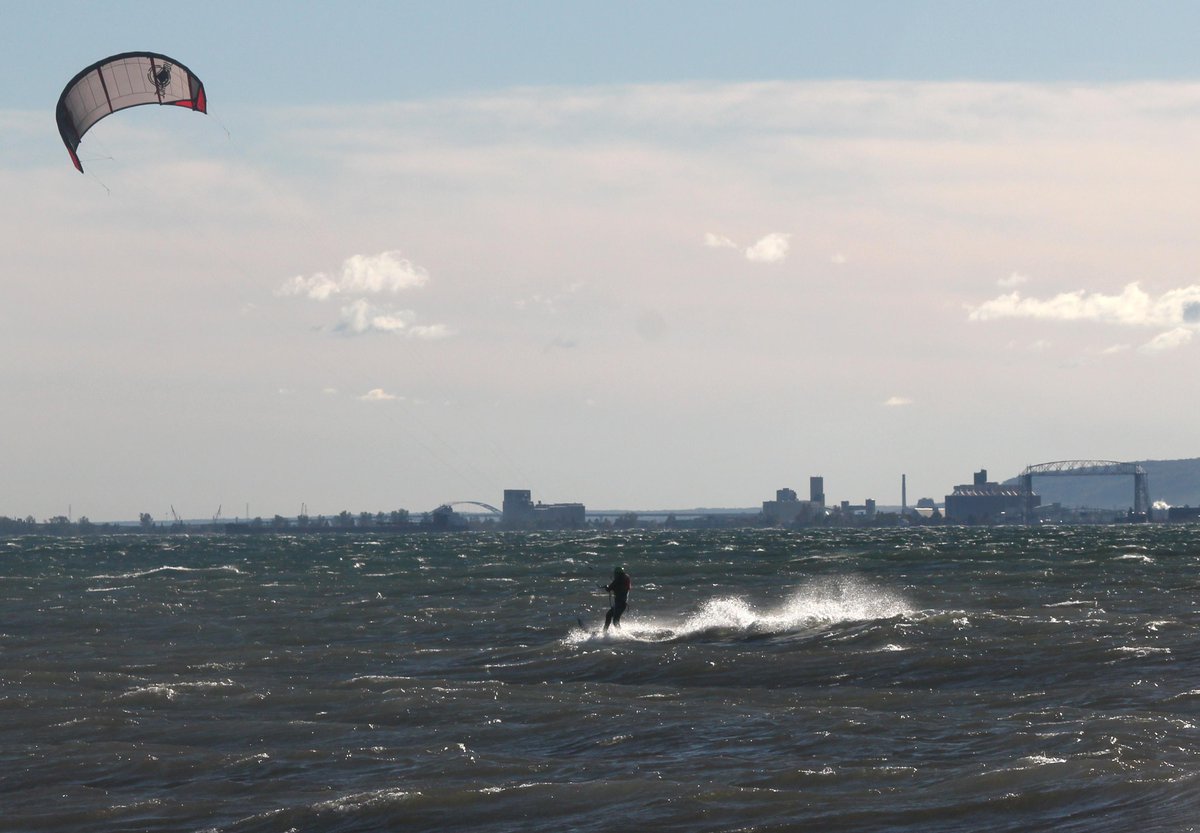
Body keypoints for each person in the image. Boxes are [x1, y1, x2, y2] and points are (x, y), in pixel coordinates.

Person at [602, 566, 631, 632]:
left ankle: (621, 635)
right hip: (622, 604)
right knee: (609, 615)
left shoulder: (618, 579)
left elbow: (609, 588)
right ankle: (604, 632)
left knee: (615, 621)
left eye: (615, 574)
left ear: (617, 573)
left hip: (619, 604)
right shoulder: (624, 579)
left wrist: (606, 587)